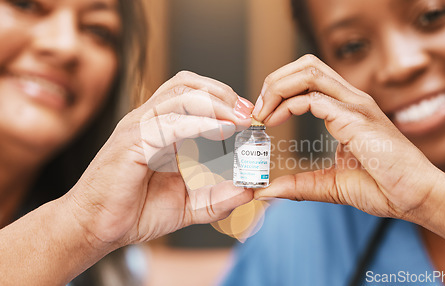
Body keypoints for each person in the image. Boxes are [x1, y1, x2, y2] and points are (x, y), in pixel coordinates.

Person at [222, 0, 445, 285]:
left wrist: (443, 205)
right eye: (352, 46)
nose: (400, 66)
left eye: (431, 16)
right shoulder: (296, 239)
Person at [0, 0, 254, 285]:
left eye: (98, 30)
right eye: (24, 5)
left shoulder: (97, 261)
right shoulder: (77, 230)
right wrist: (78, 225)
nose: (65, 45)